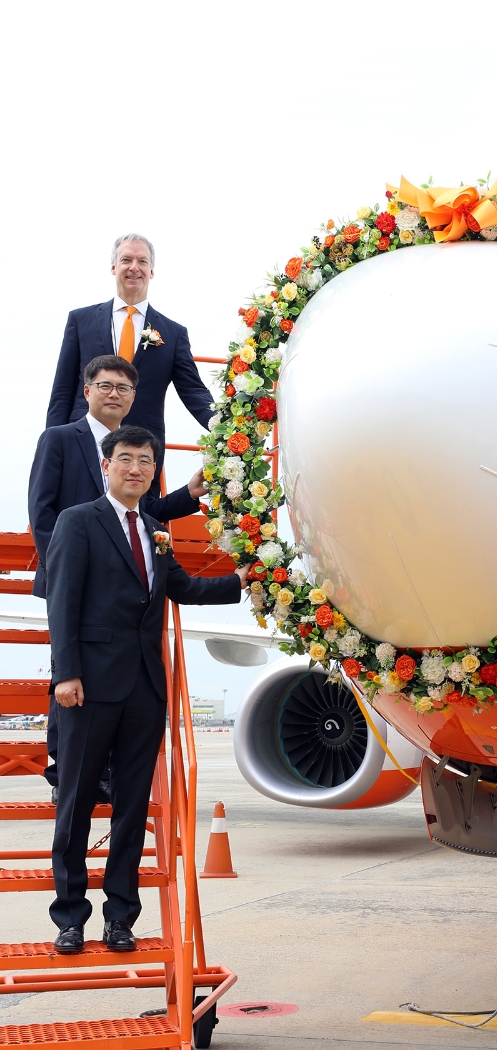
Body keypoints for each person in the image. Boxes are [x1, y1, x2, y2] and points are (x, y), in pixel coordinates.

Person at [45, 425, 248, 954]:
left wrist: (245, 582)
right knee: (76, 804)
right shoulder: (78, 522)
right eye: (126, 458)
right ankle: (70, 916)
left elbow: (179, 588)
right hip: (87, 687)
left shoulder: (156, 527)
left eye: (146, 460)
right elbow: (61, 601)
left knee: (132, 806)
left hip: (143, 687)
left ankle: (120, 917)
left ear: (154, 470)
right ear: (106, 465)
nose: (136, 468)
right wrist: (65, 674)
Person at [29, 354, 208, 800]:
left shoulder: (136, 450)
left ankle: (107, 770)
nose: (114, 394)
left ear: (132, 399)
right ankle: (63, 774)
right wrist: (70, 568)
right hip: (74, 577)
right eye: (105, 386)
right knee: (69, 671)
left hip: (124, 578)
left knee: (115, 681)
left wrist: (188, 494)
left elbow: (144, 513)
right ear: (87, 391)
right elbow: (42, 512)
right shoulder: (59, 439)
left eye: (123, 389)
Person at [46, 233, 214, 491]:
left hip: (142, 450)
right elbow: (63, 389)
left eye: (142, 261)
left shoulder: (173, 333)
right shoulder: (81, 321)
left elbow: (192, 390)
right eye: (126, 259)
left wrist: (225, 425)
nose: (134, 267)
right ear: (113, 266)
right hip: (82, 443)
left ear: (151, 271)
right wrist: (52, 447)